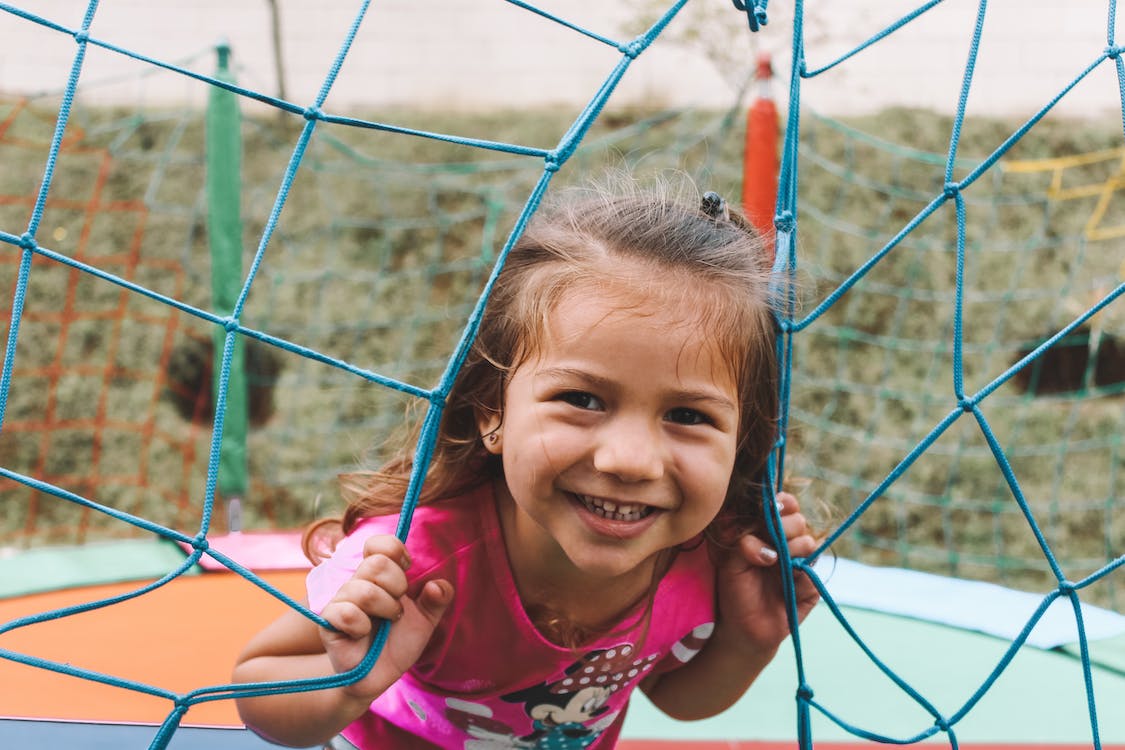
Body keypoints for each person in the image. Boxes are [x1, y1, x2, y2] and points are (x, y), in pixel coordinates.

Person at [232, 176, 821, 749]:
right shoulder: (414, 561)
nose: (630, 461)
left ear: (742, 441)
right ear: (493, 411)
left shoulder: (710, 554)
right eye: (582, 400)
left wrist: (748, 639)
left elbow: (675, 699)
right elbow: (257, 688)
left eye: (689, 415)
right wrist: (347, 686)